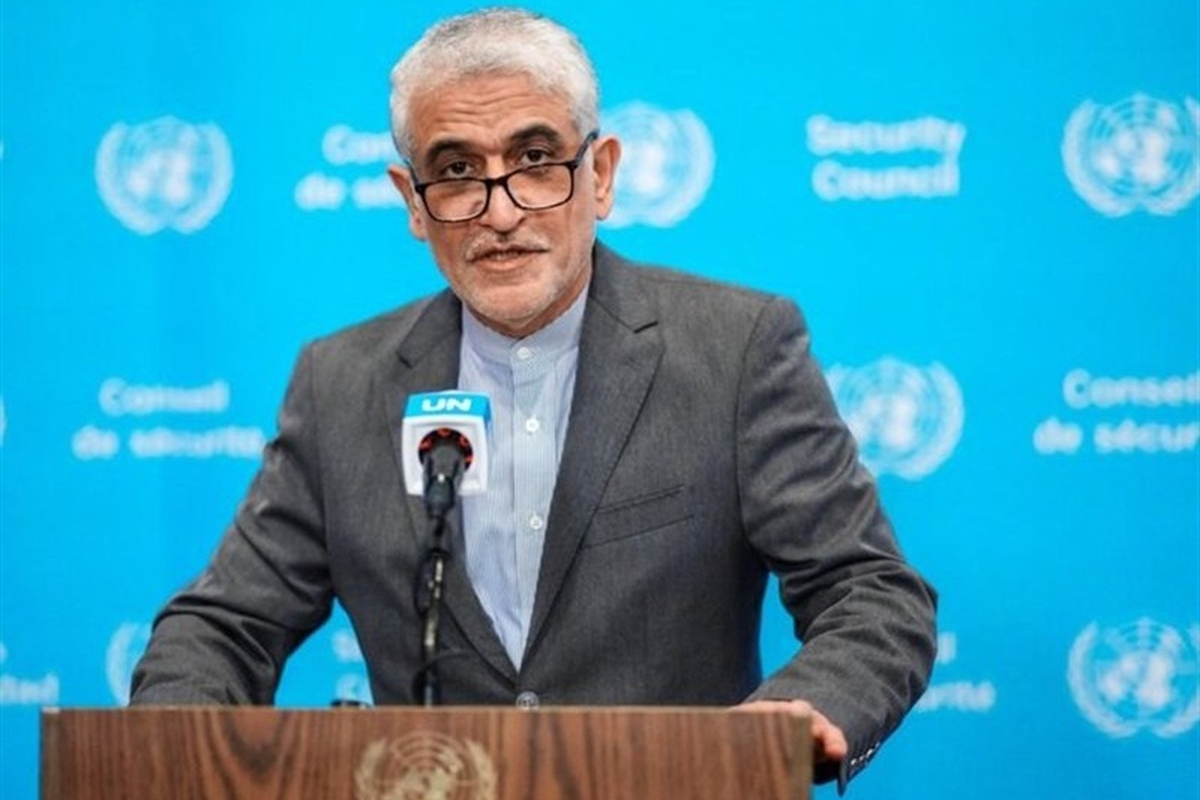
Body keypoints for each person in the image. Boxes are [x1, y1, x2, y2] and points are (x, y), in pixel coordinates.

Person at [131, 7, 937, 791]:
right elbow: (224, 626)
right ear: (412, 203)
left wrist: (800, 714)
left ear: (601, 174)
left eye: (536, 159)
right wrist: (167, 748)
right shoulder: (341, 384)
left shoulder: (736, 351)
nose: (502, 210)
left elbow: (871, 595)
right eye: (456, 173)